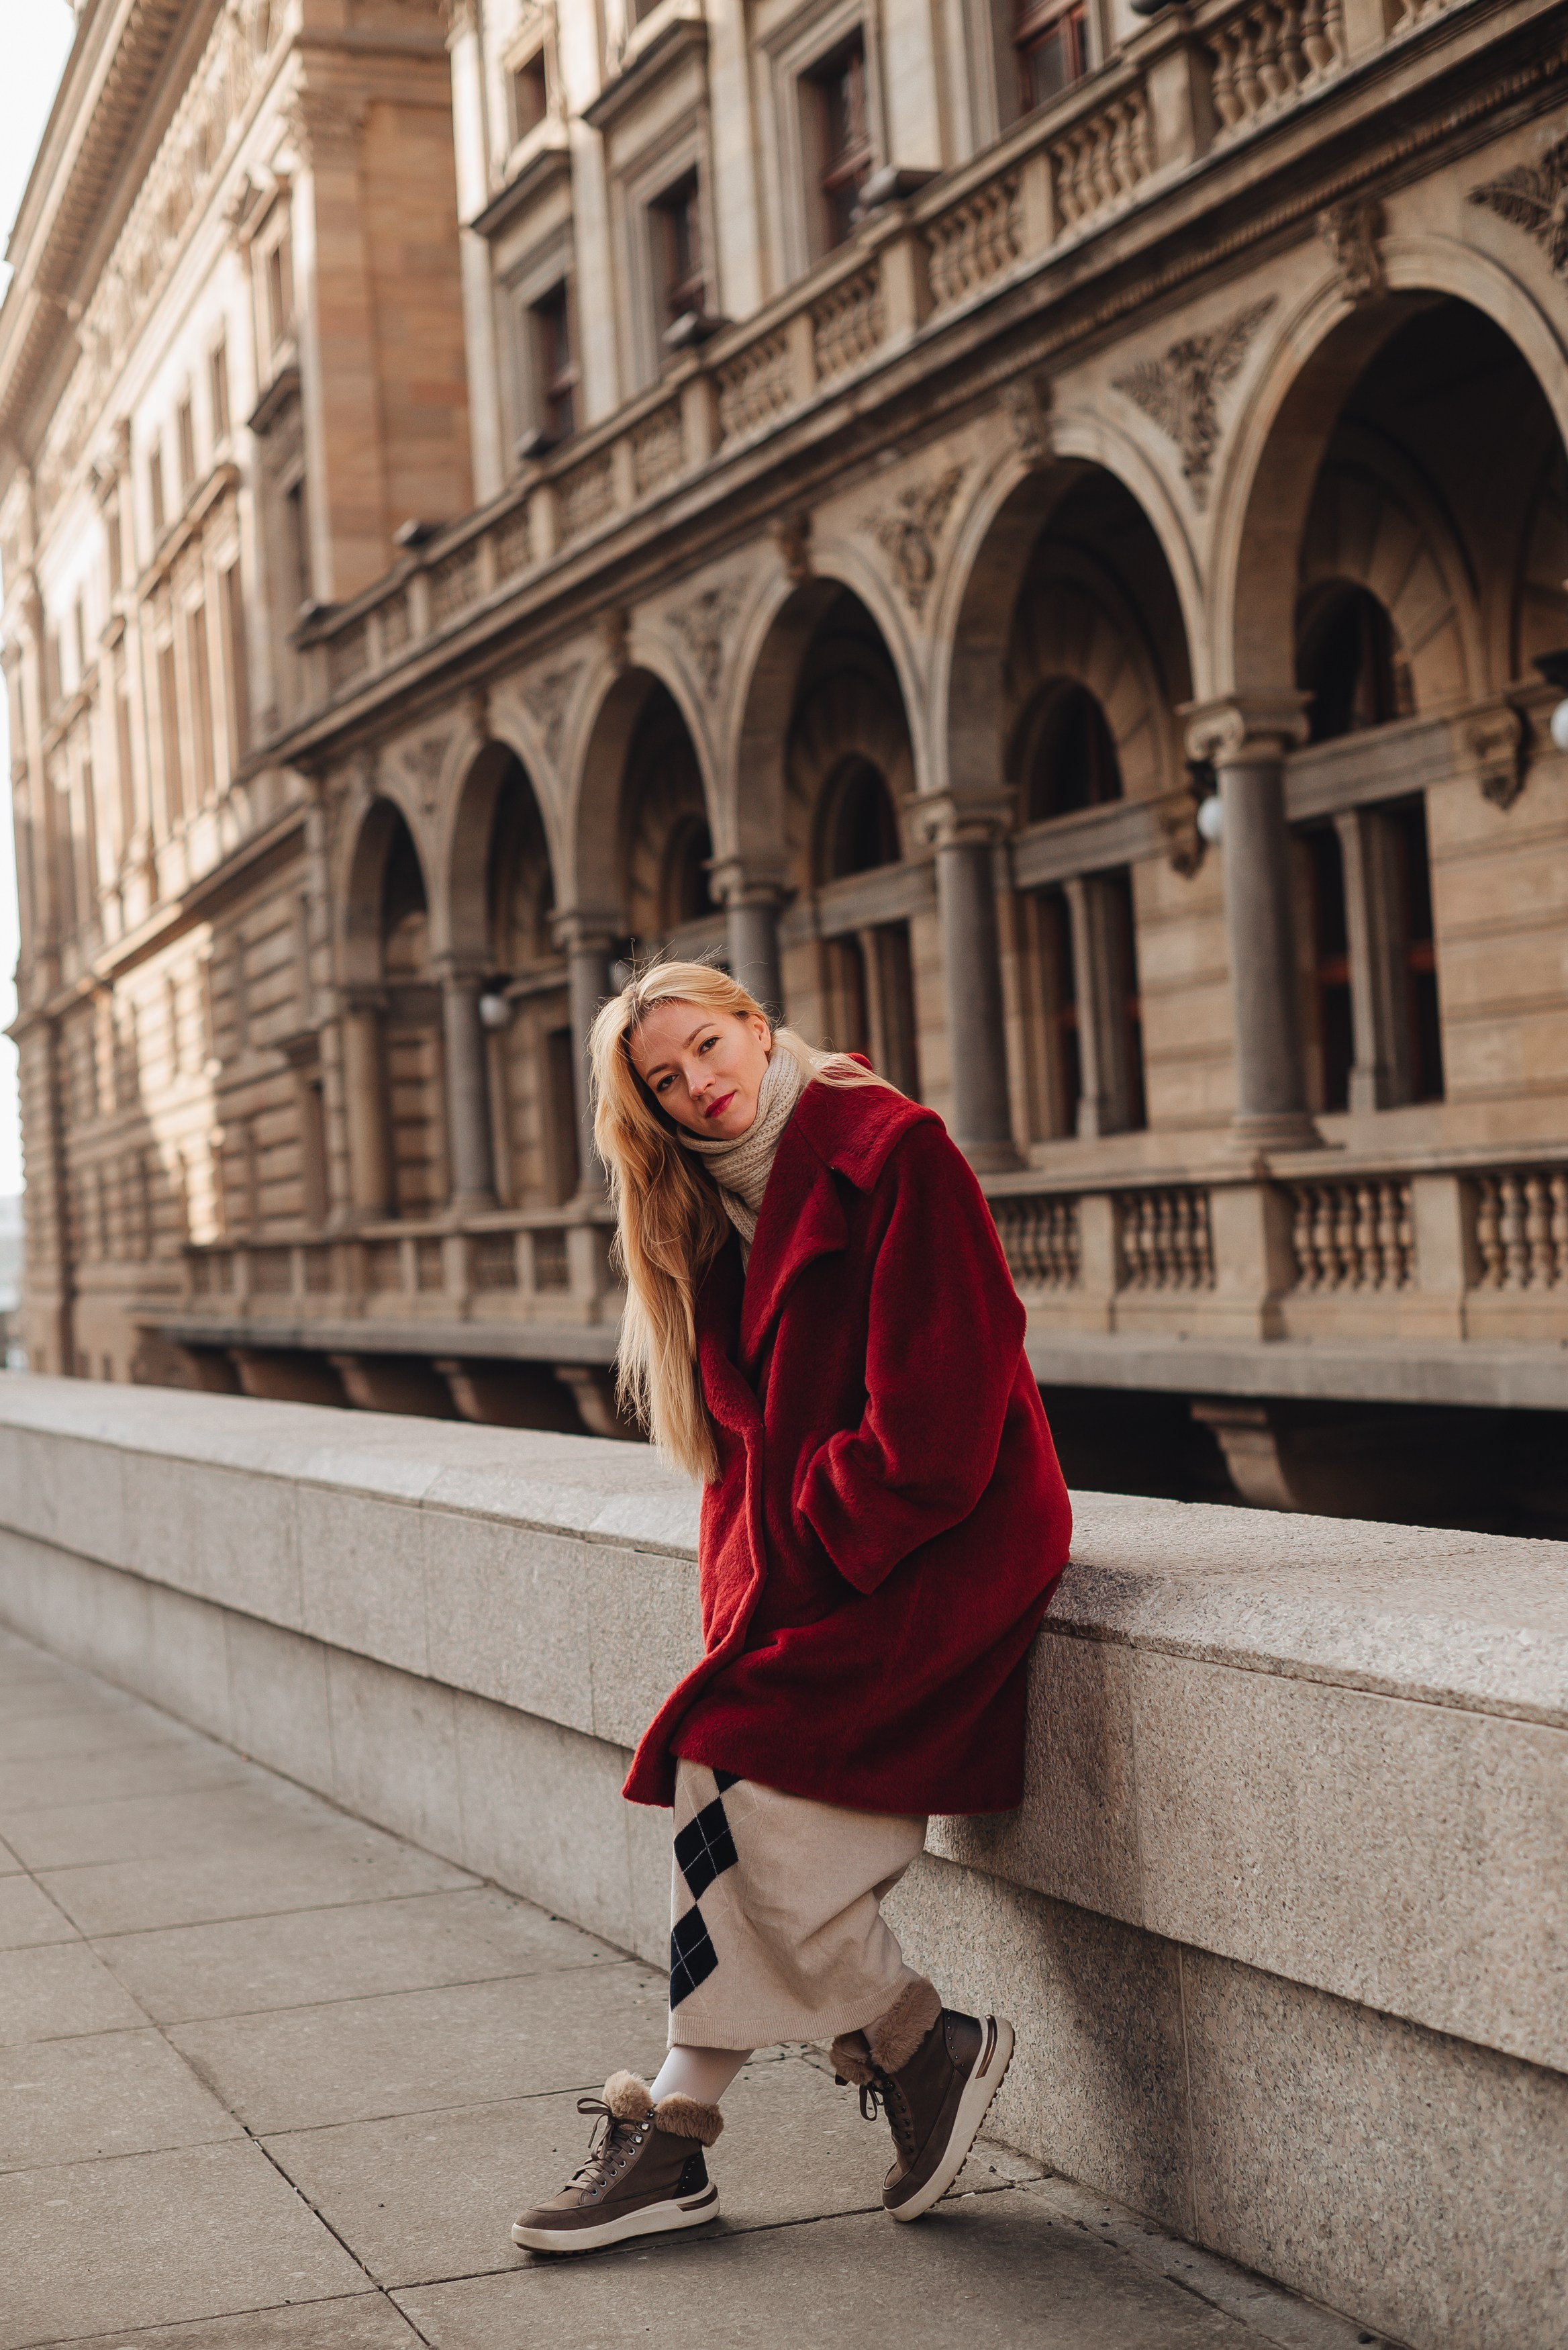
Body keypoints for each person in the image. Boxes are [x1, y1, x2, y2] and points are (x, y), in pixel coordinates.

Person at [511, 961, 1071, 2255]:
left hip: (947, 1544)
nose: (701, 1085)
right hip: (829, 1560)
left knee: (738, 1762)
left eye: (711, 1047)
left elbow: (938, 1426)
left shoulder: (896, 1153)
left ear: (759, 1028)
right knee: (728, 1761)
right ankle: (875, 2063)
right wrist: (752, 1592)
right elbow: (742, 1451)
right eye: (667, 1080)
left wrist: (819, 1534)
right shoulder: (704, 1211)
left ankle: (723, 2121)